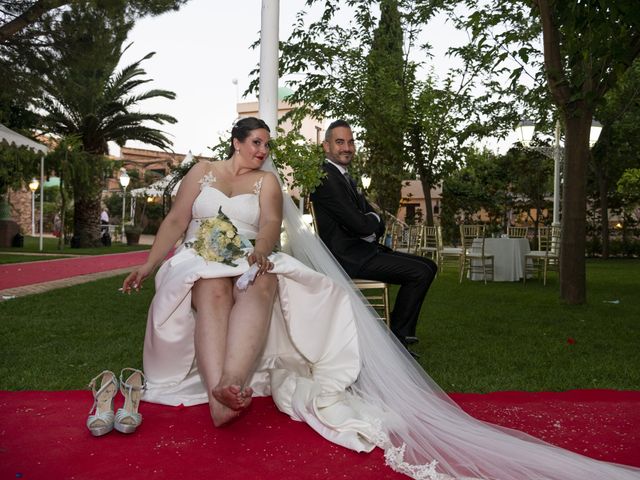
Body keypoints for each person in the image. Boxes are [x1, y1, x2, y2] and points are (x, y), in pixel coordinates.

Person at [122, 117, 639, 480]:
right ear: (235, 141)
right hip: (200, 258)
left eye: (267, 146)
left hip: (247, 260)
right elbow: (174, 221)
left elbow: (271, 228)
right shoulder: (202, 173)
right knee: (210, 287)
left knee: (262, 282)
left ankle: (231, 386)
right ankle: (221, 397)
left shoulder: (268, 184)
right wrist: (147, 266)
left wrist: (258, 253)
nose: (262, 151)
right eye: (256, 143)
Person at [310, 119, 437, 352]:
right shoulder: (325, 178)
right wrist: (373, 221)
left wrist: (372, 221)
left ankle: (396, 333)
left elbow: (370, 218)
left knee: (428, 266)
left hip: (362, 251)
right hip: (347, 258)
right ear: (326, 146)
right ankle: (398, 339)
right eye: (340, 142)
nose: (346, 148)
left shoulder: (345, 176)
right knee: (419, 272)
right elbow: (361, 223)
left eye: (350, 142)